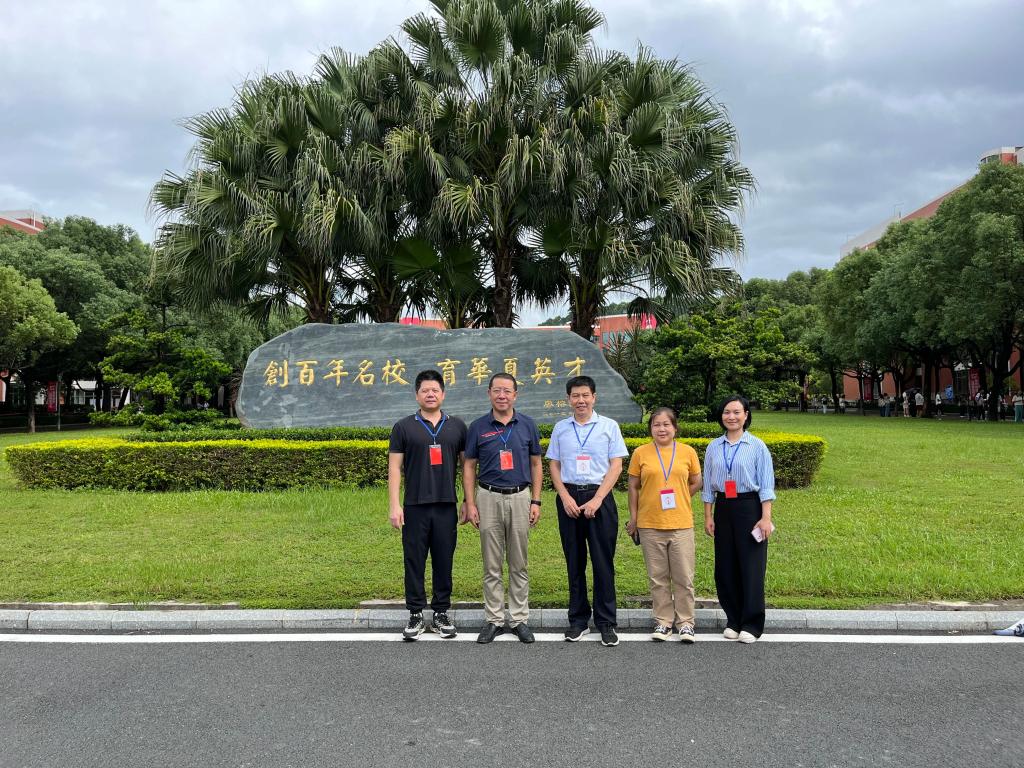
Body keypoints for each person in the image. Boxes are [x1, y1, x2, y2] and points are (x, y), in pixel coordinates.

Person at [546, 375, 629, 647]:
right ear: (568, 399)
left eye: (585, 395)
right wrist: (564, 497)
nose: (580, 400)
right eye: (575, 396)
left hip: (599, 497)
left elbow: (616, 465)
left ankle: (606, 622)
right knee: (575, 561)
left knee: (603, 562)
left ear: (594, 397)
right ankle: (578, 620)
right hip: (569, 498)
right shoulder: (561, 428)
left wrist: (598, 499)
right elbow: (554, 464)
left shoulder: (609, 426)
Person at [463, 373, 544, 644]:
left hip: (520, 497)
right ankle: (494, 619)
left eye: (507, 391)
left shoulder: (527, 425)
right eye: (497, 390)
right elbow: (469, 466)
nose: (502, 395)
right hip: (488, 497)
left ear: (515, 395)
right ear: (489, 393)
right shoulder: (478, 427)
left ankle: (519, 619)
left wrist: (535, 501)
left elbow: (536, 464)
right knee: (492, 563)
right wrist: (470, 503)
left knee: (519, 562)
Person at [388, 369, 468, 640]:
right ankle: (415, 614)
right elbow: (395, 468)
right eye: (425, 390)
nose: (430, 394)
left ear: (443, 394)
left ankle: (441, 612)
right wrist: (394, 505)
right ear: (417, 395)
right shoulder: (403, 427)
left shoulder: (457, 426)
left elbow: (467, 468)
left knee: (444, 560)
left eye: (435, 390)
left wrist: (468, 500)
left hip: (446, 505)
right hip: (415, 505)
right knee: (414, 560)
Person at [702, 395, 776, 644]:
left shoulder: (757, 446)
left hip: (749, 508)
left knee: (751, 566)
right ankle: (733, 619)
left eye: (736, 412)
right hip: (723, 508)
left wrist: (765, 518)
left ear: (746, 415)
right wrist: (708, 516)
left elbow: (766, 485)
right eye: (726, 412)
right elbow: (708, 486)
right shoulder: (713, 447)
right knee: (725, 567)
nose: (731, 417)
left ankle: (752, 624)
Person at [626, 407, 703, 642]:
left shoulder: (688, 452)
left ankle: (686, 623)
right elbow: (633, 487)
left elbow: (697, 481)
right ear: (651, 428)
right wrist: (634, 519)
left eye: (666, 424)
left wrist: (681, 496)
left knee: (684, 577)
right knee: (657, 577)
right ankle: (663, 622)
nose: (661, 429)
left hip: (681, 524)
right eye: (656, 424)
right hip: (650, 524)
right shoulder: (641, 453)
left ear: (675, 428)